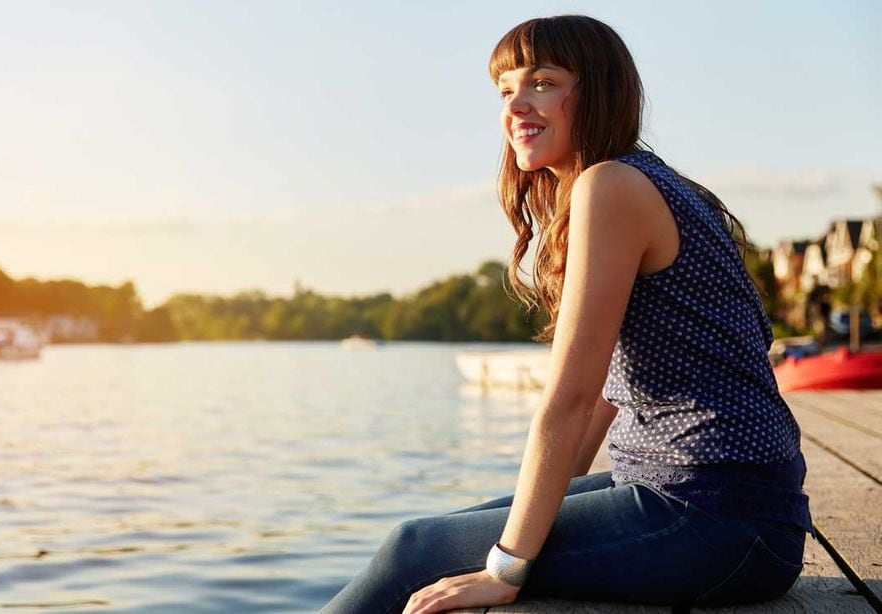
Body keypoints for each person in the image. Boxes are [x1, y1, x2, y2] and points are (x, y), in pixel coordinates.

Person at [320, 14, 811, 614]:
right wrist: (554, 505)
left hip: (715, 518)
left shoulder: (609, 187)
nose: (517, 106)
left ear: (599, 90)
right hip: (737, 515)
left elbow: (571, 397)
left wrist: (508, 567)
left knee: (414, 548)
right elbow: (608, 393)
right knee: (444, 533)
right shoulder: (651, 183)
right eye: (506, 90)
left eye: (543, 83)